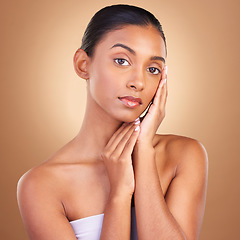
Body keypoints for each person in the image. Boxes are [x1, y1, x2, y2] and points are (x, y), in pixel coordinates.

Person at [17, 4, 208, 240]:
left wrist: (144, 153)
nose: (139, 82)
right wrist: (119, 194)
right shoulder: (41, 186)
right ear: (83, 65)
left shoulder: (184, 155)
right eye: (122, 61)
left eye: (152, 68)